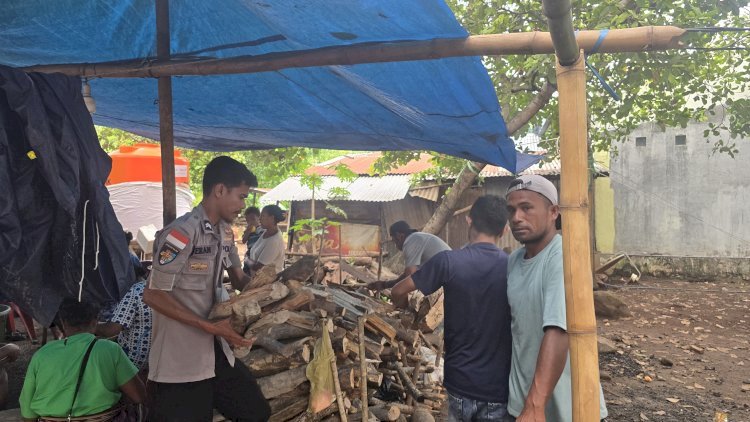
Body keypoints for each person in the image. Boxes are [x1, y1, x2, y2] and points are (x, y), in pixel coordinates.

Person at [143, 156, 271, 422]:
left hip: (215, 351)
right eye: (242, 196)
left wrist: (275, 291)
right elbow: (153, 294)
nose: (244, 205)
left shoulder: (225, 233)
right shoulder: (181, 234)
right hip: (181, 361)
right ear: (220, 190)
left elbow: (238, 279)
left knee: (256, 412)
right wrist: (210, 327)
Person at [391, 196, 512, 421]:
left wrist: (404, 313)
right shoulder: (513, 267)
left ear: (468, 220)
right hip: (500, 386)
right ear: (505, 229)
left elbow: (398, 290)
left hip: (460, 381)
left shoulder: (448, 262)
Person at [505, 175, 608, 421]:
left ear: (553, 212)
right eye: (511, 210)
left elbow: (558, 330)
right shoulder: (514, 261)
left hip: (569, 409)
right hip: (522, 405)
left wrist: (535, 404)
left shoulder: (563, 256)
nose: (516, 217)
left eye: (526, 208)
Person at [19, 298, 145, 421]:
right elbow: (139, 396)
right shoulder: (110, 349)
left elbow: (27, 412)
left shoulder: (42, 354)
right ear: (95, 322)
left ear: (63, 323)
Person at [368, 220, 450, 290]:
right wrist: (385, 285)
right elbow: (408, 275)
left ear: (400, 236)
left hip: (447, 274)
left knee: (396, 292)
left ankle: (401, 309)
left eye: (394, 241)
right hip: (451, 272)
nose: (395, 245)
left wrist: (394, 287)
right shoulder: (416, 238)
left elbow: (411, 276)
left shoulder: (410, 241)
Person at [245, 205, 286, 275]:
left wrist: (246, 259)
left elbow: (258, 267)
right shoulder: (266, 232)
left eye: (263, 216)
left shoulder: (274, 241)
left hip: (267, 282)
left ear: (272, 218)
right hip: (257, 279)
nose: (260, 219)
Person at [241, 207, 264, 275]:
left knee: (256, 272)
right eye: (248, 220)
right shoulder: (247, 230)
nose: (250, 222)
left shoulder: (262, 229)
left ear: (259, 218)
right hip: (249, 253)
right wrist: (248, 231)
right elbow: (243, 240)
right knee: (246, 270)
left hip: (259, 253)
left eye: (253, 219)